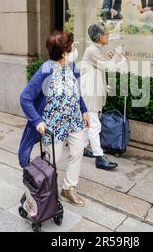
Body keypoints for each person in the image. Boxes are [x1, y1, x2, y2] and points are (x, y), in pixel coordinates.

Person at [19, 30, 90, 209]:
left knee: (77, 152)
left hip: (74, 120)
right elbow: (25, 97)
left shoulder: (72, 67)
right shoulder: (46, 70)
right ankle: (37, 188)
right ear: (63, 51)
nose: (74, 48)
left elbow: (76, 92)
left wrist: (84, 110)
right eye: (71, 46)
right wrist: (37, 121)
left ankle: (68, 188)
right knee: (51, 161)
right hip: (53, 124)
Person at [80, 22, 127, 170]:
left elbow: (103, 64)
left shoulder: (95, 49)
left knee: (88, 124)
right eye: (106, 34)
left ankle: (83, 147)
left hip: (91, 92)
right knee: (95, 125)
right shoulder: (92, 50)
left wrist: (112, 57)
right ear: (100, 37)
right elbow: (109, 67)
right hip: (90, 93)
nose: (108, 36)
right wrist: (120, 57)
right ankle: (99, 157)